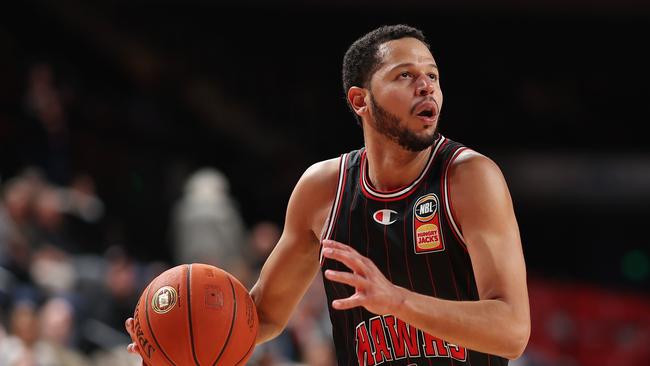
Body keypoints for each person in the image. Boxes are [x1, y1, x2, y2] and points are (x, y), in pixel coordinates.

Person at [126, 24, 530, 366]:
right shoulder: (323, 190)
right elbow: (261, 316)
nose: (426, 86)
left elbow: (512, 330)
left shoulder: (469, 178)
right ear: (360, 101)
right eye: (404, 75)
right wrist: (173, 339)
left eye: (433, 75)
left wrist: (397, 302)